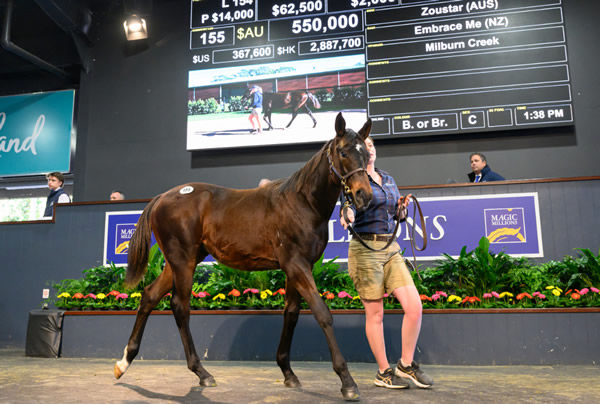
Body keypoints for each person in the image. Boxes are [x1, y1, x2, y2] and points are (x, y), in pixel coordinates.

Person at [340, 137, 433, 390]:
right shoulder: (353, 181)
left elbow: (396, 214)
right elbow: (347, 207)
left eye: (371, 145)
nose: (368, 149)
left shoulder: (389, 179)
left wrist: (401, 211)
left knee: (414, 307)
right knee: (376, 313)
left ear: (375, 151)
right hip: (365, 249)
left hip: (391, 248)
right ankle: (383, 372)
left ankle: (405, 364)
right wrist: (347, 214)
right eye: (364, 146)